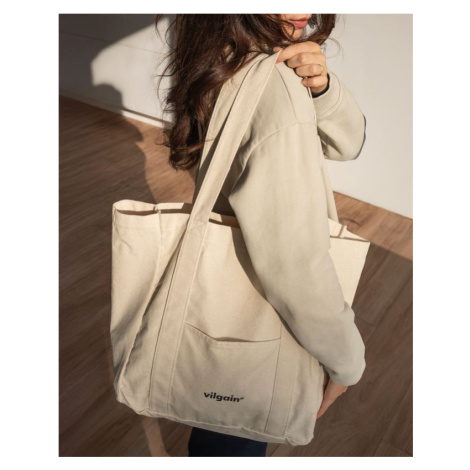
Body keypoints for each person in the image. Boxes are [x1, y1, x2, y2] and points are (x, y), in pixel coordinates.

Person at [154, 13, 367, 457]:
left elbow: (346, 142)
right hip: (261, 324)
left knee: (216, 425)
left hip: (224, 299)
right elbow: (295, 265)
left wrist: (322, 88)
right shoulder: (275, 86)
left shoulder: (220, 57)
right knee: (234, 431)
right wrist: (347, 364)